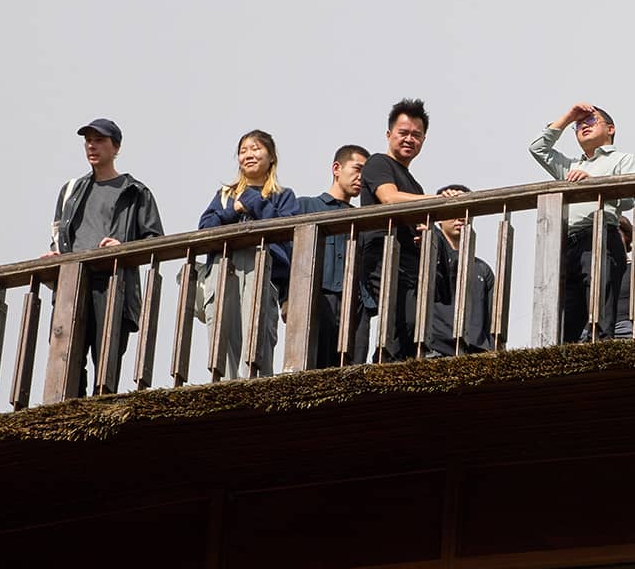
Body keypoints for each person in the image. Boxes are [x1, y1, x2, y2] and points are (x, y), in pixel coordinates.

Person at [42, 118, 164, 396]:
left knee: (106, 356)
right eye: (88, 140)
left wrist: (123, 247)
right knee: (68, 355)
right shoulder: (71, 191)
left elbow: (155, 241)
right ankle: (69, 413)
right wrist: (55, 255)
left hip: (113, 285)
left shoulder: (135, 192)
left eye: (99, 140)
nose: (91, 146)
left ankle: (103, 408)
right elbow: (60, 235)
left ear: (115, 147)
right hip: (73, 285)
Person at [530, 102, 635, 341]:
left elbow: (629, 198)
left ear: (610, 129)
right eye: (578, 125)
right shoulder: (572, 165)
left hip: (600, 236)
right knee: (566, 323)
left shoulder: (623, 159)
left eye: (591, 121)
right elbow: (538, 149)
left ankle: (603, 359)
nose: (583, 126)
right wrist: (568, 116)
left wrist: (593, 183)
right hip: (568, 245)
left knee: (601, 315)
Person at [357, 99, 460, 361]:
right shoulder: (378, 163)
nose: (409, 140)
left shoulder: (413, 183)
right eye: (403, 133)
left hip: (409, 262)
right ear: (389, 134)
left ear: (424, 140)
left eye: (416, 135)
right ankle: (385, 366)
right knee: (399, 316)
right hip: (383, 255)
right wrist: (437, 200)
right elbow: (389, 198)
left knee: (410, 323)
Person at [196, 130, 298, 378]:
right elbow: (205, 230)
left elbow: (287, 235)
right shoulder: (225, 195)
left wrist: (253, 200)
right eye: (243, 151)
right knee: (223, 341)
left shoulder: (283, 196)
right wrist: (232, 210)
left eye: (256, 148)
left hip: (264, 271)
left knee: (259, 339)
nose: (248, 155)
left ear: (271, 156)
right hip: (224, 271)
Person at [292, 144, 371, 367]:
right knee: (313, 370)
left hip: (357, 305)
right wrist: (287, 298)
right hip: (318, 300)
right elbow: (287, 256)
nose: (361, 178)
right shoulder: (306, 205)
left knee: (353, 375)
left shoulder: (365, 218)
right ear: (337, 168)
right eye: (357, 169)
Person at [423, 184, 497, 355]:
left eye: (465, 209)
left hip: (476, 352)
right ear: (439, 218)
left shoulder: (482, 268)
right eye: (453, 208)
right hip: (437, 350)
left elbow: (491, 316)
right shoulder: (426, 255)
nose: (460, 217)